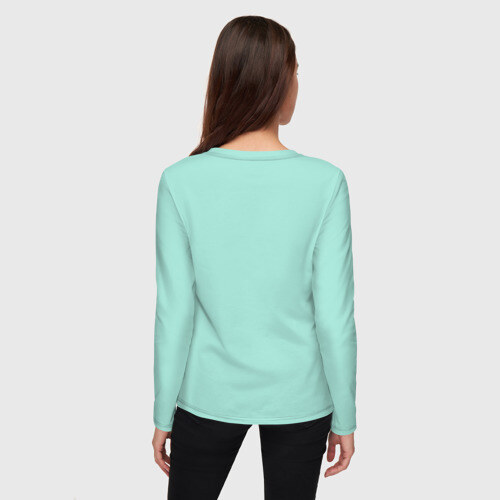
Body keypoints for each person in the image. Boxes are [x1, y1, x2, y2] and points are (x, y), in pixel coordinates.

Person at [152, 15, 357, 500]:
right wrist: (345, 416)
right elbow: (334, 318)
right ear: (279, 81)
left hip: (207, 393)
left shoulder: (180, 181)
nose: (298, 86)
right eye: (296, 72)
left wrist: (162, 413)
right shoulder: (326, 182)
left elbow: (174, 313)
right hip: (300, 395)